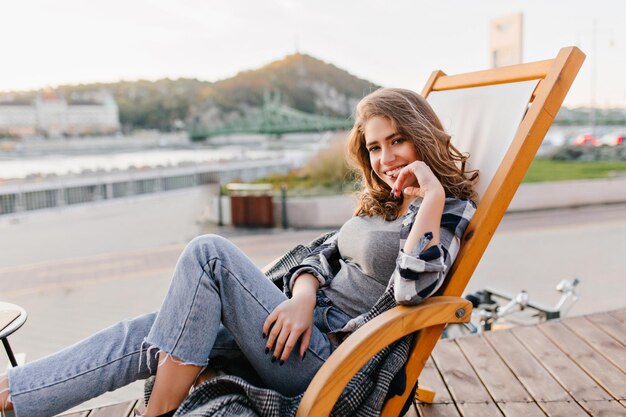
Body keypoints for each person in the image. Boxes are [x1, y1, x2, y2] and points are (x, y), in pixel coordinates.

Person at [0, 88, 477, 417]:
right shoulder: (384, 202)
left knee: (209, 253)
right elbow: (320, 252)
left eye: (397, 140)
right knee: (147, 331)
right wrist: (303, 296)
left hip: (330, 357)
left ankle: (158, 412)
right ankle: (12, 395)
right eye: (374, 147)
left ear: (423, 134)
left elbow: (412, 293)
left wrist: (432, 198)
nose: (386, 158)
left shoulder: (448, 210)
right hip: (295, 325)